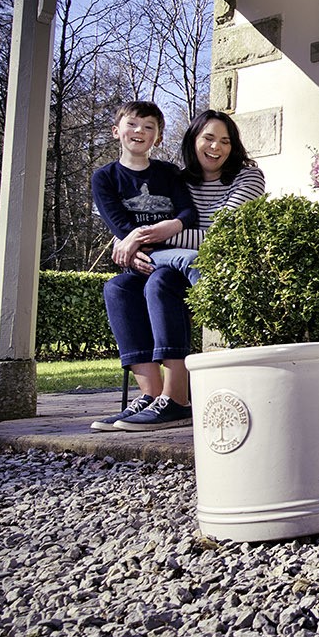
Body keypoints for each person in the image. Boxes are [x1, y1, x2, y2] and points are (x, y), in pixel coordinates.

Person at [89, 101, 199, 432]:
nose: (140, 131)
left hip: (173, 261)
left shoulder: (168, 174)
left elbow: (187, 212)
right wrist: (132, 243)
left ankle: (176, 398)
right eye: (133, 124)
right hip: (137, 263)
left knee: (160, 283)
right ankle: (150, 397)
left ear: (159, 137)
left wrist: (169, 228)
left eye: (149, 127)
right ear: (116, 131)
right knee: (117, 287)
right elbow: (118, 223)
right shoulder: (105, 178)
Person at [147, 109, 267, 285]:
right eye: (208, 138)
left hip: (227, 274)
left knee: (161, 281)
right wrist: (127, 237)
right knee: (122, 285)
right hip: (180, 269)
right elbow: (145, 214)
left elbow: (221, 236)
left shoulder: (249, 178)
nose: (216, 146)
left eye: (225, 141)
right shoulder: (178, 180)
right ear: (193, 140)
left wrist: (148, 236)